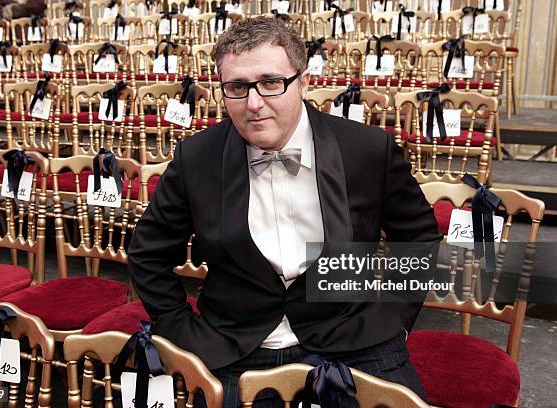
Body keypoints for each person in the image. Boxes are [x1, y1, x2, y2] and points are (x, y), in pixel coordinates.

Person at [128, 16, 442, 407]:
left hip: (354, 336)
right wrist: (180, 328)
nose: (254, 104)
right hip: (234, 344)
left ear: (304, 82)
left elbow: (417, 236)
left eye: (271, 83)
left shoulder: (367, 149)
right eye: (237, 87)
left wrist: (396, 320)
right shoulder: (196, 158)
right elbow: (149, 252)